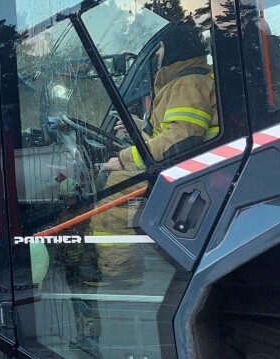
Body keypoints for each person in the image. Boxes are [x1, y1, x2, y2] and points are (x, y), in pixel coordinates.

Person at [89, 18, 217, 290]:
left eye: (158, 51)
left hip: (189, 174)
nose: (157, 58)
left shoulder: (187, 82)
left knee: (112, 200)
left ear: (170, 49)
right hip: (188, 169)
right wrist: (140, 128)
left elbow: (182, 140)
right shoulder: (185, 80)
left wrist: (124, 159)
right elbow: (174, 134)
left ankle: (120, 274)